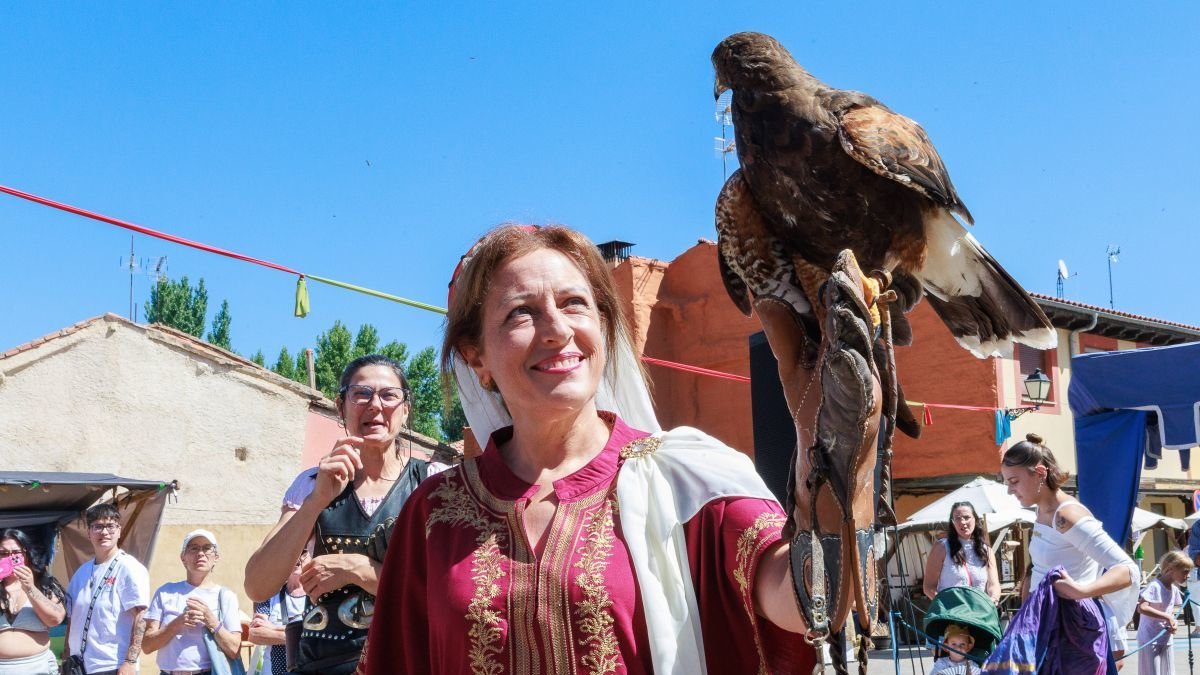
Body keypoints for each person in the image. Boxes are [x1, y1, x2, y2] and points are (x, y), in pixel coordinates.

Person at [357, 224, 816, 674]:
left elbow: (801, 596)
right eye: (521, 312)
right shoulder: (434, 513)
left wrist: (836, 450)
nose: (556, 329)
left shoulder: (685, 478)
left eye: (575, 303)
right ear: (477, 357)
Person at [245, 354, 434, 674]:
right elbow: (258, 584)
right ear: (340, 406)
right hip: (324, 664)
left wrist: (358, 568)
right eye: (361, 393)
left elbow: (441, 596)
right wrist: (317, 501)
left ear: (406, 409)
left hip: (408, 661)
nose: (375, 405)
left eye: (389, 395)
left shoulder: (432, 485)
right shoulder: (310, 485)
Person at [1000, 433, 1138, 670]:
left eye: (1014, 481)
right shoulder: (1042, 512)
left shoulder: (1066, 515)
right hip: (1046, 622)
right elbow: (1040, 570)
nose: (1010, 491)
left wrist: (1082, 590)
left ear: (1040, 473)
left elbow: (1127, 569)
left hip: (1071, 627)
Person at [64, 504, 150, 675]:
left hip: (112, 665)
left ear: (119, 531)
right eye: (98, 527)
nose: (104, 532)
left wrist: (130, 662)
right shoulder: (81, 572)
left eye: (110, 526)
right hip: (79, 667)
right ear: (89, 533)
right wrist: (66, 655)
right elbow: (72, 617)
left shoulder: (129, 567)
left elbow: (141, 616)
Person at [142, 530, 242, 674]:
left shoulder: (226, 597)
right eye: (194, 548)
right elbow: (147, 646)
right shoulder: (165, 592)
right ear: (183, 558)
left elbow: (235, 650)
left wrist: (211, 621)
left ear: (216, 557)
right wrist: (177, 623)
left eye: (207, 548)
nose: (201, 553)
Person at [0, 528, 66, 675]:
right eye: (3, 553)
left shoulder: (43, 584)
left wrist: (30, 588)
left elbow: (55, 619)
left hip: (38, 668)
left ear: (27, 554)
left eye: (17, 552)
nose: (10, 557)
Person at [922, 501, 1001, 603]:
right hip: (951, 613)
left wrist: (993, 600)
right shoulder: (941, 547)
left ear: (975, 519)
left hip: (979, 612)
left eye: (966, 517)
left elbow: (993, 584)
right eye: (957, 518)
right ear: (953, 522)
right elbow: (929, 587)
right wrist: (946, 606)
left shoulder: (986, 550)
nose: (962, 522)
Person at [247, 551, 308, 675]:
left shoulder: (318, 595)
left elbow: (316, 635)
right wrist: (300, 635)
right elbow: (255, 634)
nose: (297, 556)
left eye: (303, 552)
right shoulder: (270, 595)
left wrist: (272, 629)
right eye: (293, 551)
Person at [1136, 550, 1193, 675]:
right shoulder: (1155, 586)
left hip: (1166, 638)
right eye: (1185, 571)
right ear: (1171, 569)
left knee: (1168, 672)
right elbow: (1142, 608)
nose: (1187, 576)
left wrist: (1173, 623)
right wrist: (1167, 617)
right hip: (1150, 638)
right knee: (1152, 672)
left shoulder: (1173, 589)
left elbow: (1170, 612)